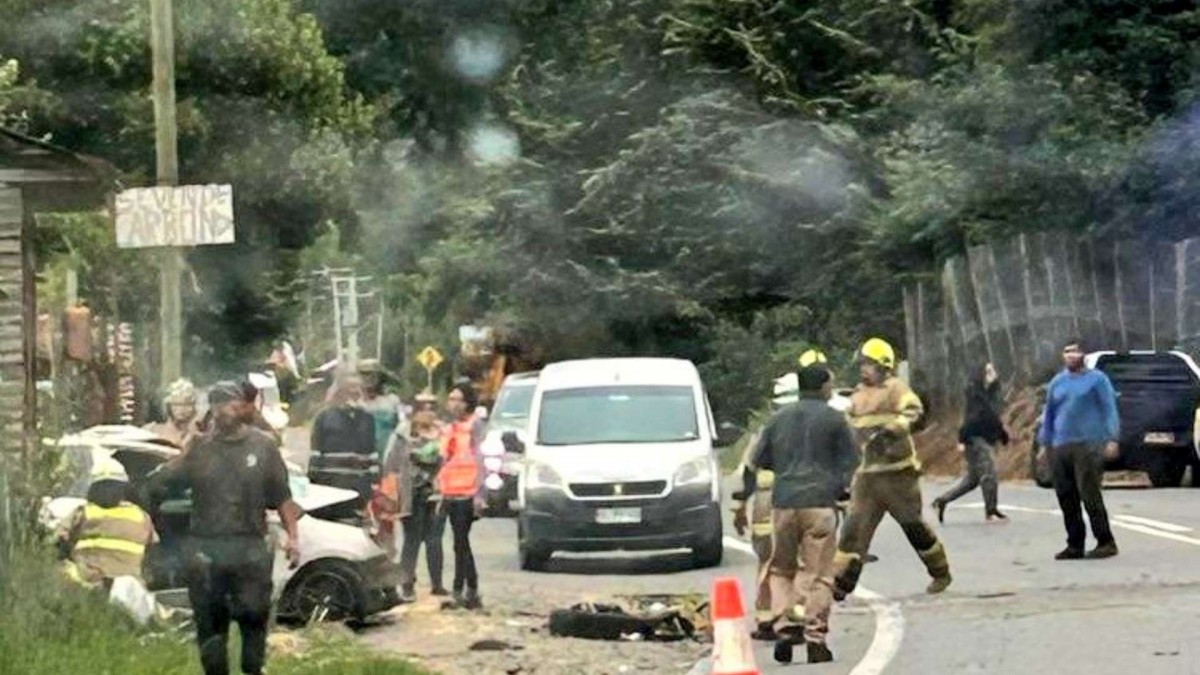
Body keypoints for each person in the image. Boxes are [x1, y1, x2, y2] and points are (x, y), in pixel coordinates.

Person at [143, 381, 303, 675]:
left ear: (242, 406)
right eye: (216, 403)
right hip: (207, 551)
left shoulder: (263, 446)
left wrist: (293, 538)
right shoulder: (199, 449)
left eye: (228, 403)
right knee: (210, 628)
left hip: (250, 549)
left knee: (254, 619)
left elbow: (282, 497)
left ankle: (253, 669)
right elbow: (160, 486)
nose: (222, 410)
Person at [738, 366, 859, 664]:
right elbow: (851, 461)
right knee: (819, 574)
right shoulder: (835, 419)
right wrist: (842, 489)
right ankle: (815, 638)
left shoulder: (777, 419)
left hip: (783, 504)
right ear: (824, 387)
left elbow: (758, 461)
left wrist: (744, 499)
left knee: (781, 569)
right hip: (819, 504)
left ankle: (784, 626)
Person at [832, 337, 952, 598]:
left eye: (869, 364)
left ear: (883, 366)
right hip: (867, 477)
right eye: (862, 364)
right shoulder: (857, 396)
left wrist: (893, 429)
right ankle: (840, 585)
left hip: (898, 475)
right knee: (853, 531)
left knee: (913, 526)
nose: (864, 369)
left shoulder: (896, 389)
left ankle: (940, 572)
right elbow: (848, 427)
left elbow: (913, 410)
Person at [1037, 338, 1120, 560]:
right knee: (1066, 495)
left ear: (1083, 354)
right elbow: (1049, 414)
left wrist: (1112, 438)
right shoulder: (1057, 382)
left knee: (1089, 493)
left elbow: (1109, 409)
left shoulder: (1097, 380)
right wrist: (1045, 443)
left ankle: (1105, 541)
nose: (1071, 356)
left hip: (1088, 443)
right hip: (1060, 444)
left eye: (1075, 351)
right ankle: (1075, 544)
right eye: (1067, 352)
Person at [58, 456, 156, 587]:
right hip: (128, 587)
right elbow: (152, 549)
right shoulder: (140, 516)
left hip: (88, 583)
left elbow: (59, 541)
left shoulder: (83, 512)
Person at [383, 410, 449, 602]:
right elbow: (391, 465)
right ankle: (408, 585)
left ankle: (435, 584)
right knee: (413, 541)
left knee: (433, 540)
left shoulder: (439, 438)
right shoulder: (403, 439)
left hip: (432, 495)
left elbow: (444, 461)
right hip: (410, 495)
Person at [932, 362, 1011, 523]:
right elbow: (975, 418)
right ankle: (991, 511)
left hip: (984, 437)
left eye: (993, 371)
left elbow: (993, 416)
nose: (993, 374)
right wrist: (963, 438)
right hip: (975, 438)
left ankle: (942, 501)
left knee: (972, 480)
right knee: (989, 474)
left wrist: (1001, 434)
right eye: (988, 371)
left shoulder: (991, 392)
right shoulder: (976, 394)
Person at [439, 383, 487, 610]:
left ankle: (465, 589)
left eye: (458, 399)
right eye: (451, 399)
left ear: (468, 402)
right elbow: (446, 460)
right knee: (459, 543)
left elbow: (481, 459)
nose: (454, 404)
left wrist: (480, 494)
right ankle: (466, 590)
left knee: (461, 541)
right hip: (451, 491)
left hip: (468, 492)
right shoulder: (450, 428)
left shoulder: (474, 426)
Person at [308, 373, 378, 509]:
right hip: (331, 486)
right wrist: (313, 481)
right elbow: (315, 452)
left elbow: (372, 453)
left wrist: (374, 483)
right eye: (350, 387)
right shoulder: (324, 417)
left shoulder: (368, 419)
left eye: (358, 387)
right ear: (341, 391)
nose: (354, 392)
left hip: (358, 486)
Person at [358, 360, 406, 465]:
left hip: (388, 450)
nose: (367, 379)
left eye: (371, 374)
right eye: (364, 375)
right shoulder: (356, 402)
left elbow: (403, 424)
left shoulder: (392, 400)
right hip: (362, 454)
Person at [144, 378, 202, 449]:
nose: (182, 409)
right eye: (177, 404)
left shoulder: (198, 437)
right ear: (169, 405)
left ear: (194, 406)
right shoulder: (151, 430)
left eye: (187, 404)